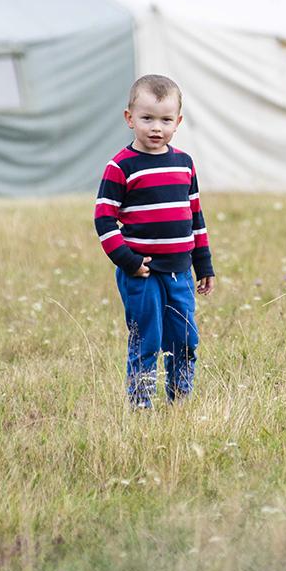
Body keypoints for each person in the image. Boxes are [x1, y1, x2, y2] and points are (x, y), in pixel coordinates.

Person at [94, 75, 215, 407]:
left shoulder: (184, 165)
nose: (156, 128)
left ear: (178, 121)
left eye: (165, 120)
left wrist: (203, 264)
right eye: (147, 118)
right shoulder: (121, 167)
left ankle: (180, 400)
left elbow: (195, 217)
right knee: (147, 339)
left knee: (185, 338)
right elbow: (104, 219)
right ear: (129, 118)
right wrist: (128, 261)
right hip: (141, 272)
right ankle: (141, 404)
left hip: (180, 272)